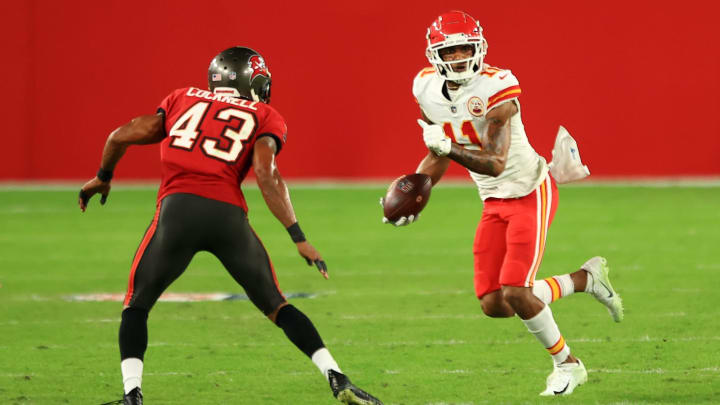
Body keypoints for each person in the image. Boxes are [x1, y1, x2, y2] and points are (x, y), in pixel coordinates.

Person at [80, 46, 382, 405]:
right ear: (251, 82)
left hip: (176, 212)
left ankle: (133, 394)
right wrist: (298, 236)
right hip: (227, 217)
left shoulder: (180, 99)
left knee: (136, 305)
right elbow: (266, 174)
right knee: (277, 305)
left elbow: (122, 134)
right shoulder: (265, 114)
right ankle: (336, 376)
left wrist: (102, 177)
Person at [385, 11, 624, 396]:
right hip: (493, 201)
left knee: (515, 289)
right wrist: (416, 193)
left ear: (479, 48)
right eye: (451, 50)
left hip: (531, 190)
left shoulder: (497, 86)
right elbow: (440, 152)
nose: (461, 57)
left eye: (466, 48)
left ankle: (568, 364)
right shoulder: (426, 89)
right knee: (495, 303)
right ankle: (585, 280)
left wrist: (447, 147)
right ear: (435, 55)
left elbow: (495, 164)